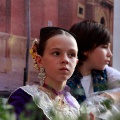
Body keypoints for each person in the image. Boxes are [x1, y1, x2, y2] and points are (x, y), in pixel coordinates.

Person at [7, 27, 95, 120]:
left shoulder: (74, 105)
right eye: (56, 53)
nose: (65, 60)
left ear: (76, 63)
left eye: (71, 55)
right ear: (40, 60)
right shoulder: (24, 98)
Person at [67, 20, 120, 104]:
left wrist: (114, 96)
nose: (110, 54)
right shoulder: (65, 76)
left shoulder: (105, 72)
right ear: (86, 49)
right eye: (104, 47)